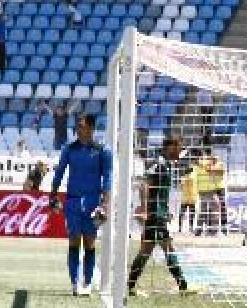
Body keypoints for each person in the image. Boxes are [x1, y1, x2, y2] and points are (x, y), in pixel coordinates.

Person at [50, 114, 113, 296]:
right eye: (77, 126)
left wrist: (105, 203)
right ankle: (74, 282)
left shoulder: (103, 150)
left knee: (90, 242)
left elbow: (107, 178)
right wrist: (53, 195)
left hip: (93, 202)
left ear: (92, 128)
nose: (78, 129)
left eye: (82, 126)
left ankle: (87, 282)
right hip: (73, 201)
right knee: (74, 240)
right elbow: (59, 172)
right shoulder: (69, 149)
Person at [127, 137, 192, 297]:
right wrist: (145, 209)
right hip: (154, 215)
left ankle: (130, 285)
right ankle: (183, 286)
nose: (180, 152)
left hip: (158, 214)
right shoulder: (159, 163)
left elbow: (158, 191)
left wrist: (165, 210)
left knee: (146, 251)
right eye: (179, 148)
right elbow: (144, 185)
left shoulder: (167, 165)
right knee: (167, 249)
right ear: (171, 147)